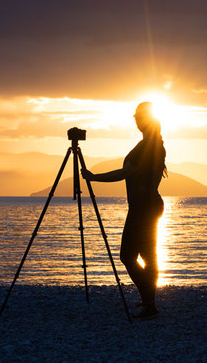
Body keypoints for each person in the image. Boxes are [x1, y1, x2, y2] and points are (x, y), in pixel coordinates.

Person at [82, 101, 166, 319]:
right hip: (147, 206)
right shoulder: (154, 144)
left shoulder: (147, 146)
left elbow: (124, 173)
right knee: (146, 256)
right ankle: (149, 302)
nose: (137, 120)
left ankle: (149, 301)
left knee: (129, 256)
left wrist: (94, 177)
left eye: (139, 116)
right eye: (136, 116)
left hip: (143, 208)